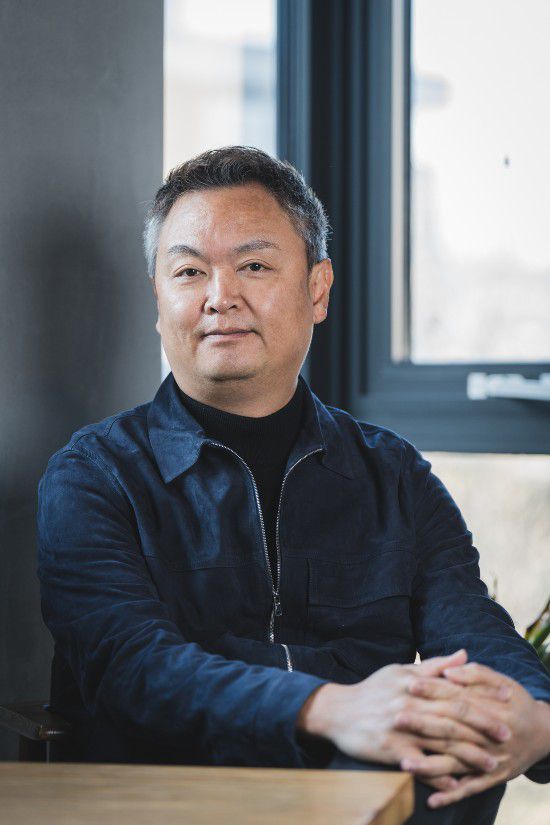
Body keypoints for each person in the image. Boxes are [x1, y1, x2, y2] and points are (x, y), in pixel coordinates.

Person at [37, 146, 550, 824]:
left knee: (443, 745)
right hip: (171, 798)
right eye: (189, 272)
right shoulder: (94, 474)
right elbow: (132, 667)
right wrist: (334, 707)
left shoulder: (394, 476)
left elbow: (473, 630)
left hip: (375, 781)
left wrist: (535, 719)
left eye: (253, 266)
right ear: (160, 302)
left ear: (317, 289)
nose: (220, 297)